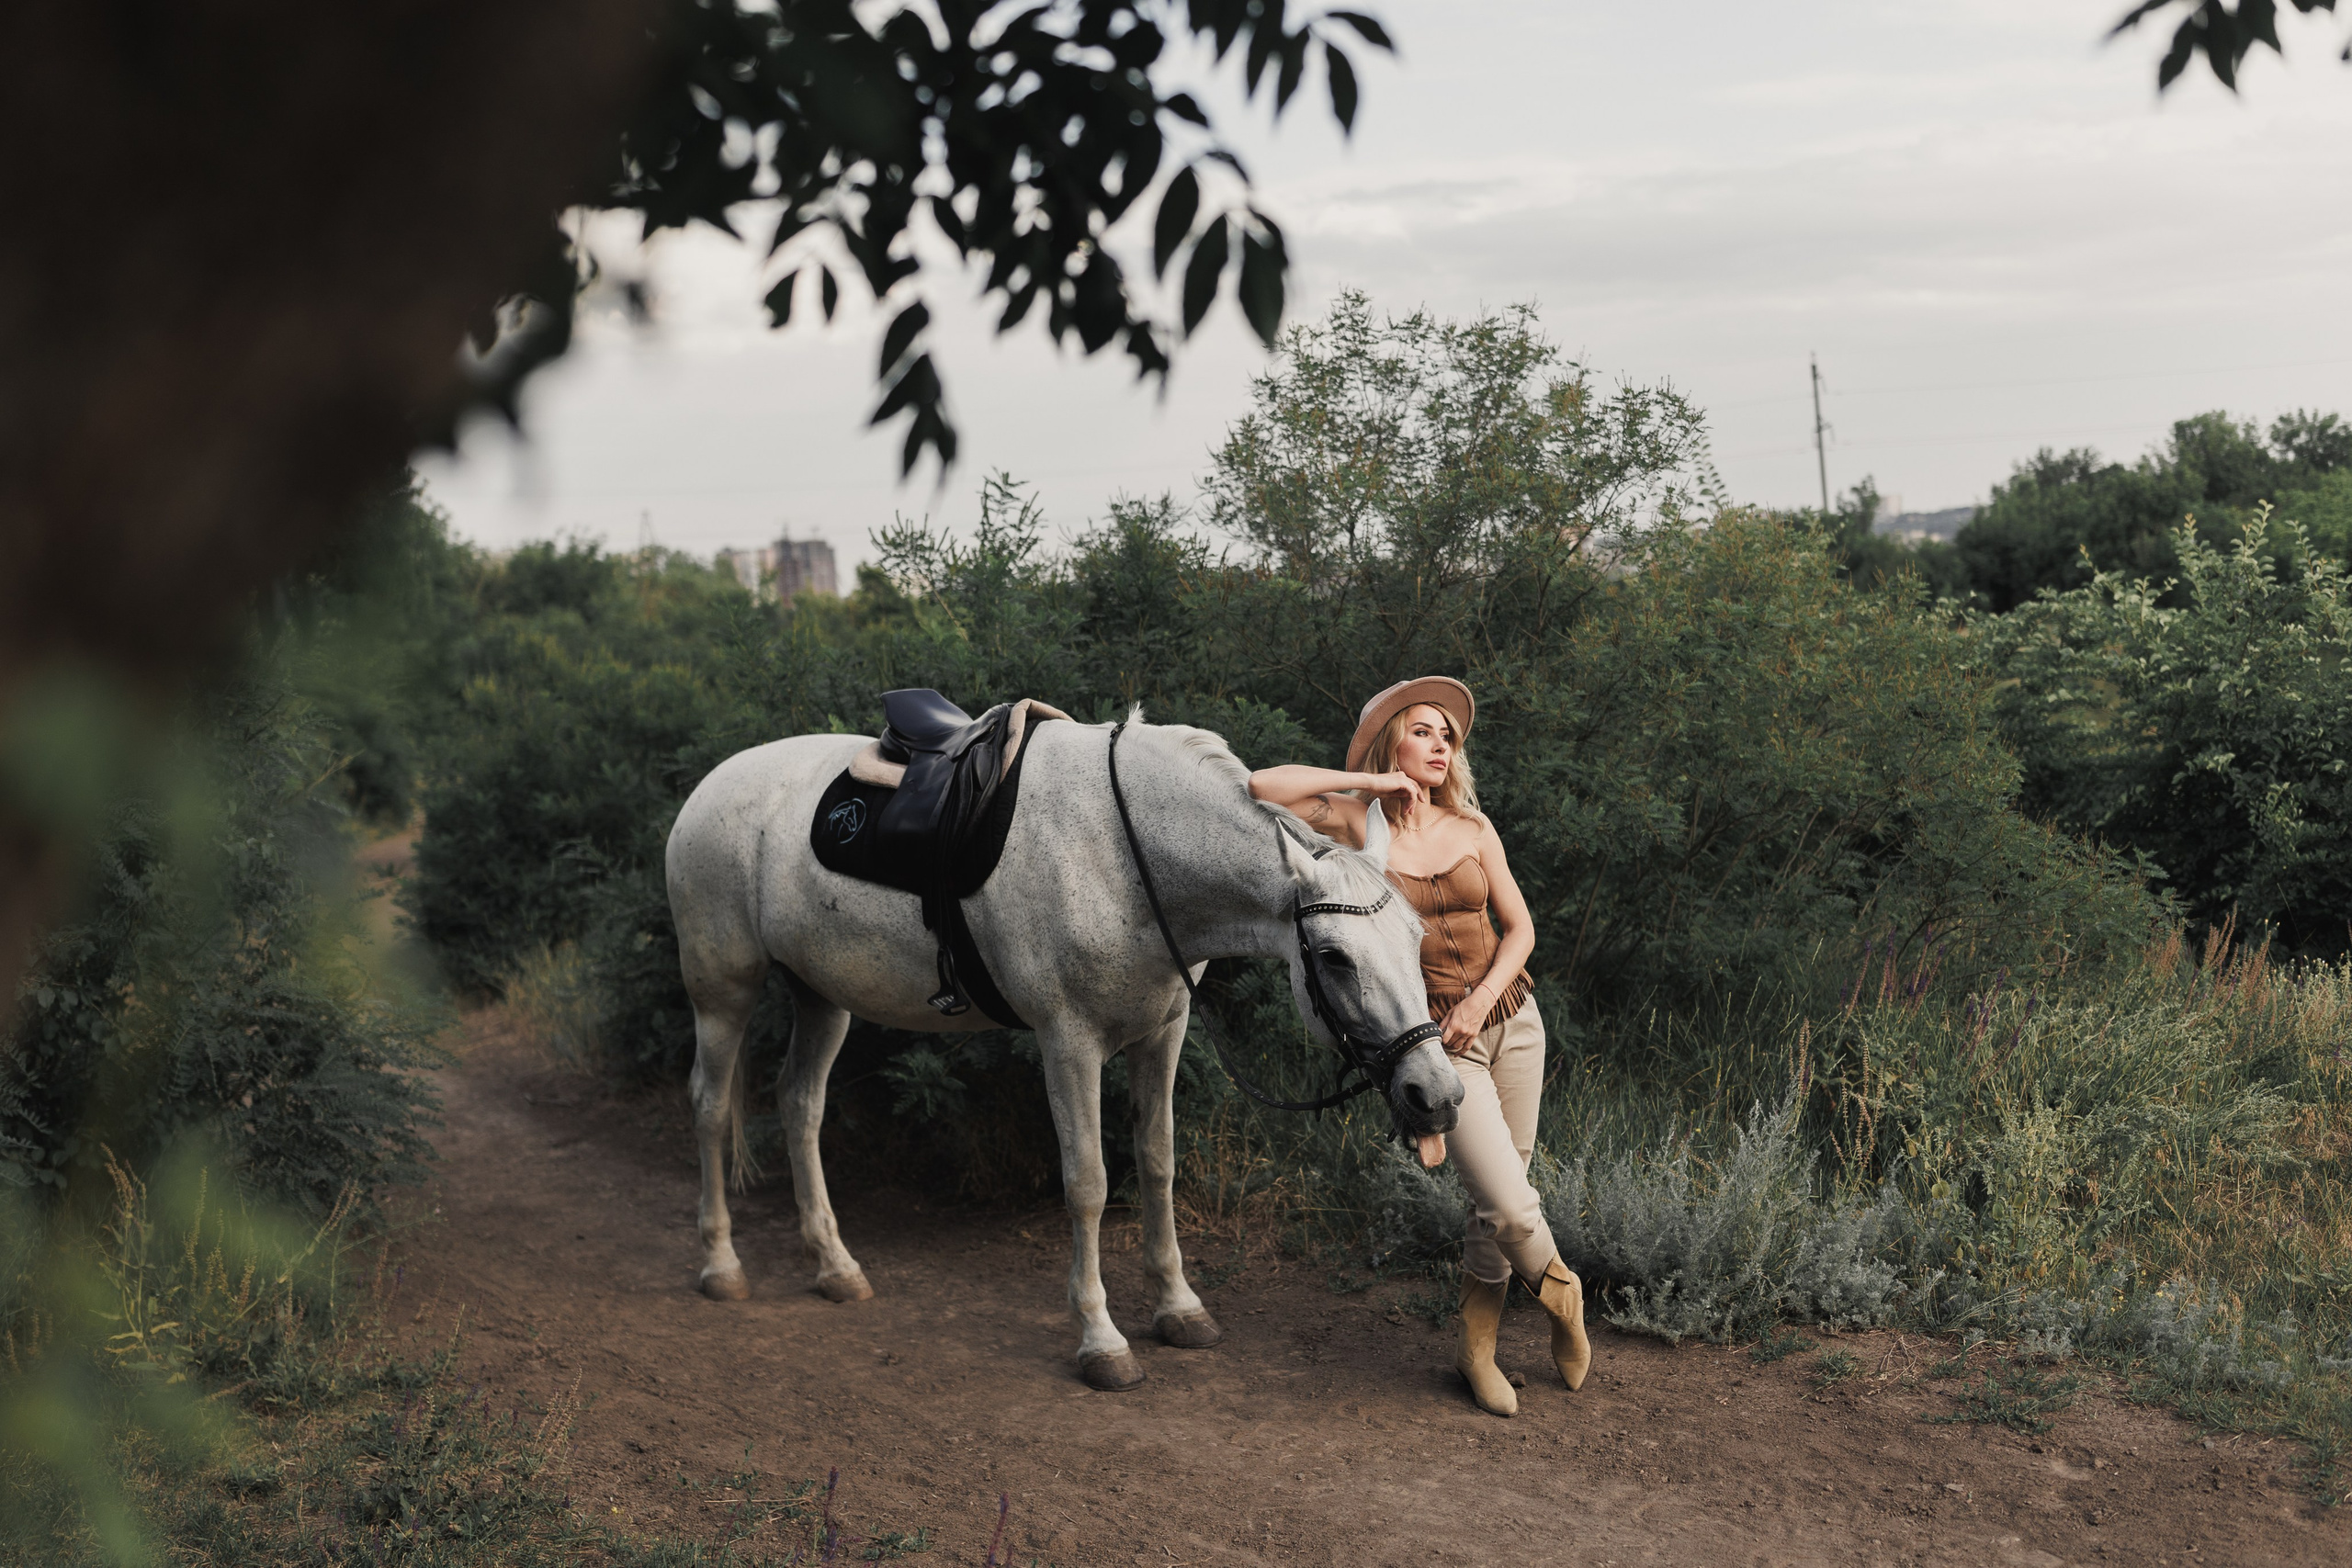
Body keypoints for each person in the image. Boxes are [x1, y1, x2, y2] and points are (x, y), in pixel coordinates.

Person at [1249, 676, 1590, 1416]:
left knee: (1496, 1202)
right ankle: (1566, 1298)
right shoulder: (1356, 826)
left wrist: (1481, 998)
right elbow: (1261, 785)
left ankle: (1476, 1352)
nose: (1441, 745)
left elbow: (1521, 929)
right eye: (1423, 731)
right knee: (1510, 1205)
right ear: (1392, 742)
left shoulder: (1472, 826)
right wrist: (1370, 784)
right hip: (1437, 1045)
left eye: (1448, 735)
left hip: (1514, 1022)